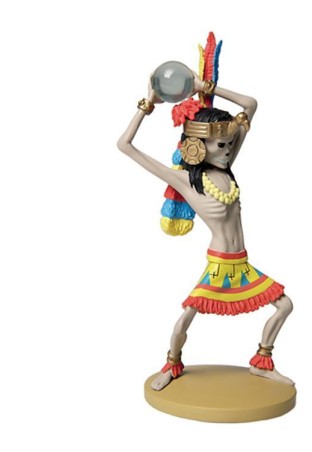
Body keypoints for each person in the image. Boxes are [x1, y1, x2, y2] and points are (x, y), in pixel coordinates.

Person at [117, 71, 294, 391]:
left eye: (230, 143)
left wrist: (205, 87)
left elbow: (251, 104)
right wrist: (148, 104)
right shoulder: (186, 181)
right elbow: (125, 145)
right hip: (218, 266)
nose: (227, 150)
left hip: (242, 263)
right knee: (185, 318)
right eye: (220, 145)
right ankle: (172, 363)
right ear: (197, 148)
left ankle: (262, 362)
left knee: (285, 306)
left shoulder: (227, 166)